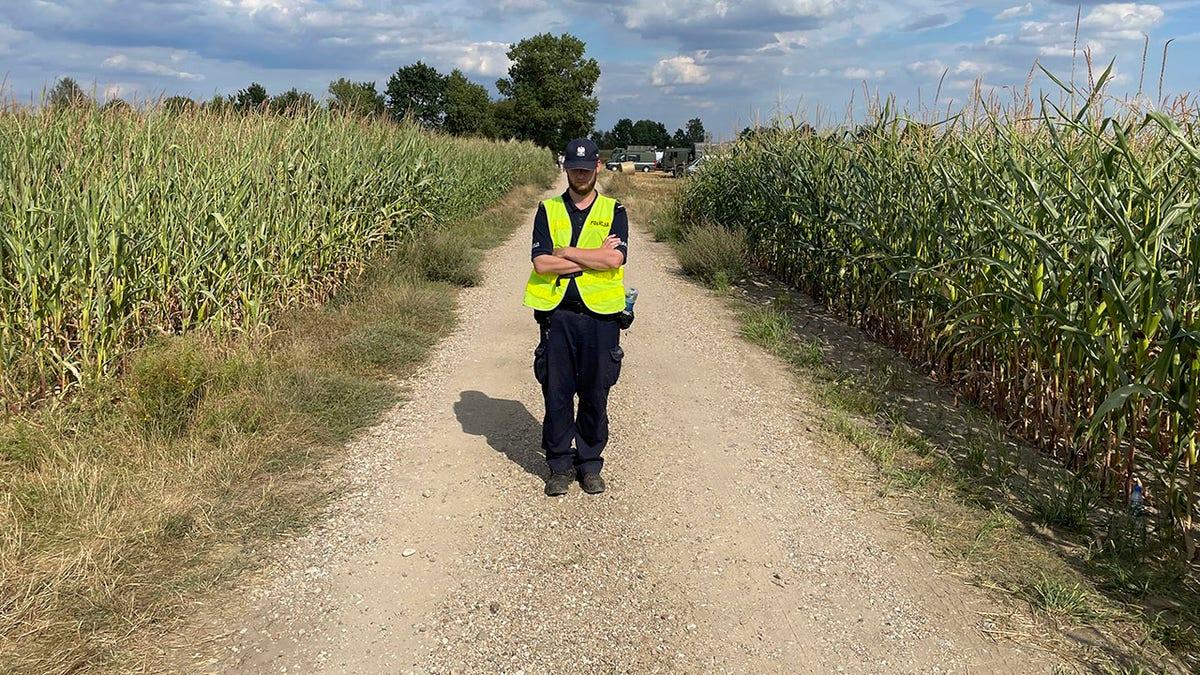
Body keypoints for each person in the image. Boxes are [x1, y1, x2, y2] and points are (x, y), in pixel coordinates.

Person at [523, 138, 629, 497]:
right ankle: (558, 465)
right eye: (573, 168)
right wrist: (590, 256)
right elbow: (541, 263)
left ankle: (589, 464)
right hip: (558, 317)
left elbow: (614, 260)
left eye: (586, 168)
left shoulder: (615, 211)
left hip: (601, 319)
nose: (580, 173)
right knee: (556, 392)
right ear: (565, 168)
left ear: (597, 166)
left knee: (595, 394)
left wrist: (566, 252)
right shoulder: (548, 209)